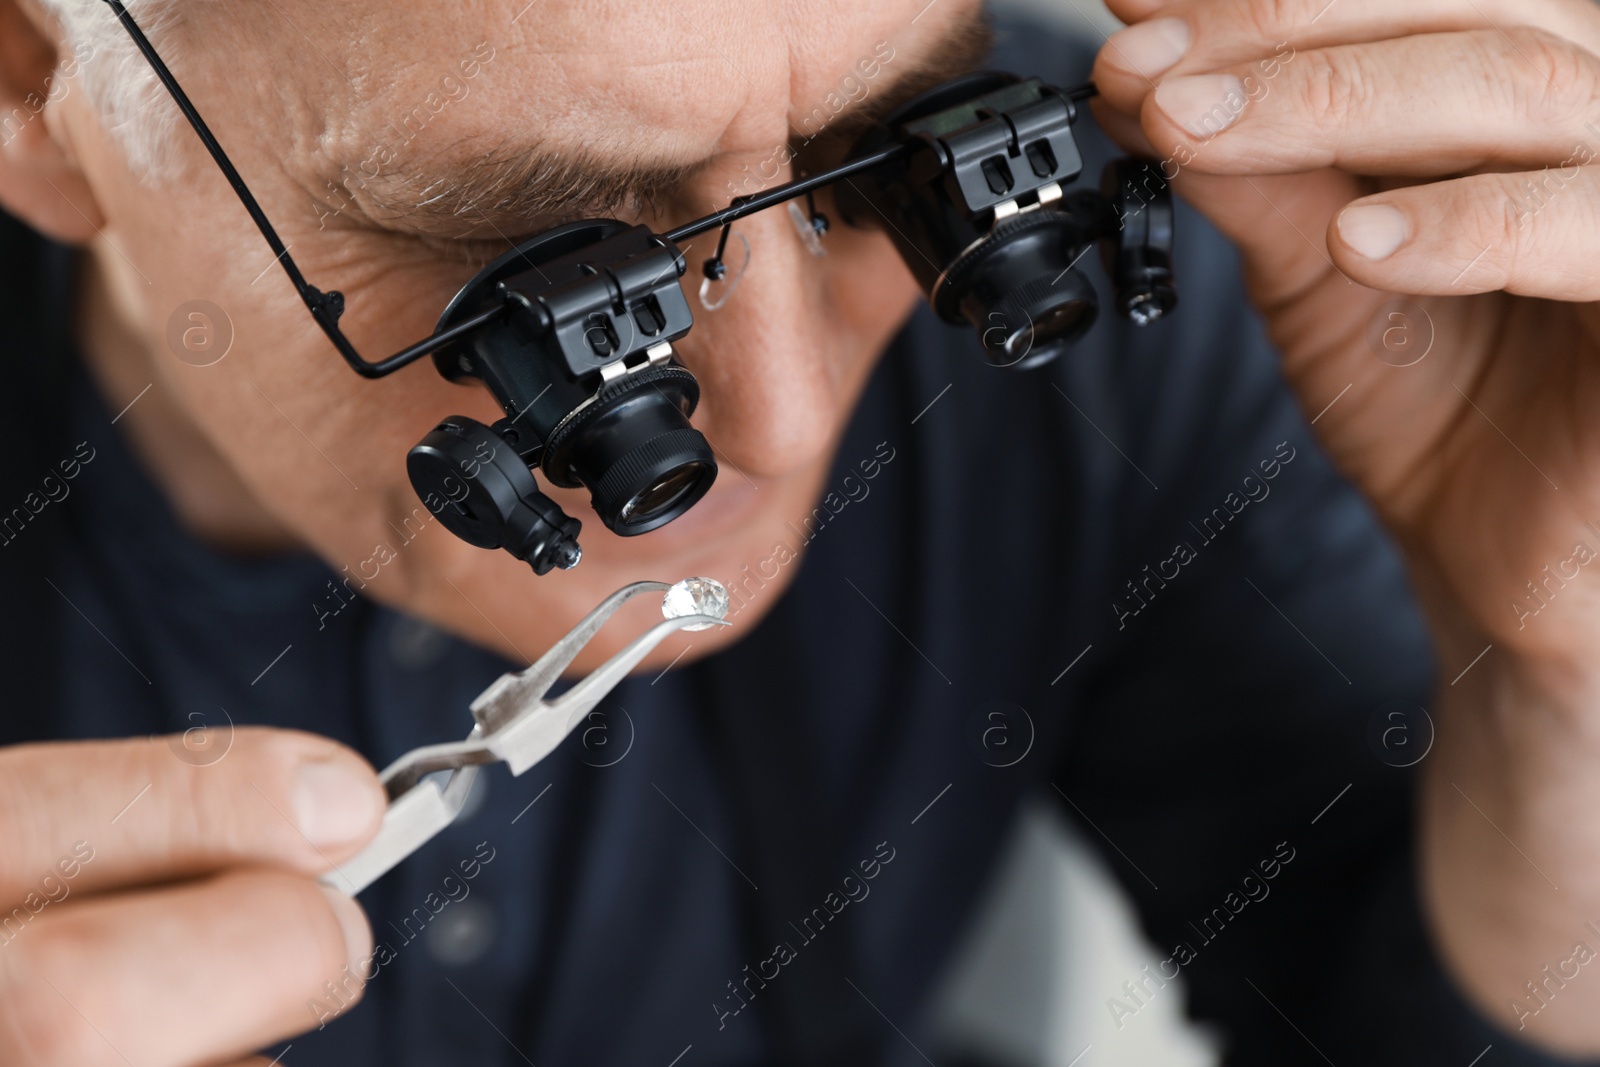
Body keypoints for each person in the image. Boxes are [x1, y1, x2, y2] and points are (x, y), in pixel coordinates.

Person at [1, 0, 1598, 1062]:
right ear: (33, 87)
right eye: (525, 264)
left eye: (886, 173)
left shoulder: (1163, 296)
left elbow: (1404, 1006)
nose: (773, 425)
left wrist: (1568, 684)